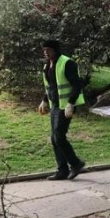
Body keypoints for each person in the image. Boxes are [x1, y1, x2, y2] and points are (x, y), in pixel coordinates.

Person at [38, 39, 87, 180]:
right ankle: (62, 170)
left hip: (65, 105)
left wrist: (71, 103)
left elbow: (77, 85)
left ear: (56, 50)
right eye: (44, 50)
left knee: (59, 136)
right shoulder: (47, 65)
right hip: (55, 105)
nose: (46, 52)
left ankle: (76, 163)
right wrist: (44, 100)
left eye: (49, 49)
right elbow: (50, 85)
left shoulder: (67, 63)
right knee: (54, 138)